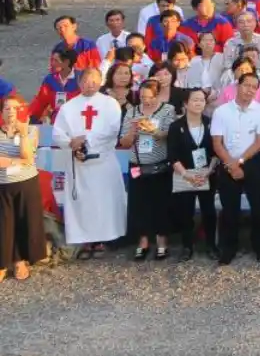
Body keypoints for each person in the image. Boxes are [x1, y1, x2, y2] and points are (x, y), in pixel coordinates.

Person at [53, 67, 126, 257]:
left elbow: (112, 130)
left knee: (103, 202)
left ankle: (104, 239)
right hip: (79, 164)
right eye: (86, 80)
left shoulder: (110, 104)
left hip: (102, 161)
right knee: (83, 204)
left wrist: (85, 140)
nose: (90, 84)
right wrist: (71, 144)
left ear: (100, 81)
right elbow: (57, 133)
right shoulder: (68, 107)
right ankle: (85, 241)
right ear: (79, 83)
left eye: (94, 80)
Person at [209, 70, 260, 264]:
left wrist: (240, 162)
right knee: (229, 209)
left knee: (259, 207)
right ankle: (228, 249)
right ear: (237, 85)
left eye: (254, 87)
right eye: (246, 85)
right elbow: (217, 142)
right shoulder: (221, 111)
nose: (250, 90)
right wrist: (230, 164)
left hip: (252, 162)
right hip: (227, 162)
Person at [118, 78, 176, 260]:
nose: (146, 101)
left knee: (160, 203)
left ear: (157, 95)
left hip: (159, 164)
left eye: (150, 97)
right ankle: (142, 241)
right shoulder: (132, 112)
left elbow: (169, 135)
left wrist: (153, 131)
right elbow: (124, 142)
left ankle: (161, 241)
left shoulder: (167, 110)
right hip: (138, 164)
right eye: (143, 96)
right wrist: (133, 131)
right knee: (138, 204)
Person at [167, 87, 216, 260]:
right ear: (186, 103)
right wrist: (186, 174)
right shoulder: (175, 126)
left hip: (206, 173)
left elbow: (216, 150)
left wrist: (209, 171)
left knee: (209, 211)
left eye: (202, 100)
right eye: (194, 100)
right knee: (185, 212)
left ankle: (211, 245)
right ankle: (187, 246)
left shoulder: (210, 123)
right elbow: (172, 155)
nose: (198, 103)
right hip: (184, 173)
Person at [0, 95, 45, 279]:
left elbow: (28, 157)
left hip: (26, 184)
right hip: (3, 186)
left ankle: (20, 261)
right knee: (3, 226)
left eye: (15, 108)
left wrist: (23, 133)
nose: (11, 112)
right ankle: (2, 264)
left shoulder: (32, 130)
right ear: (2, 112)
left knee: (24, 222)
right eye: (7, 108)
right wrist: (16, 160)